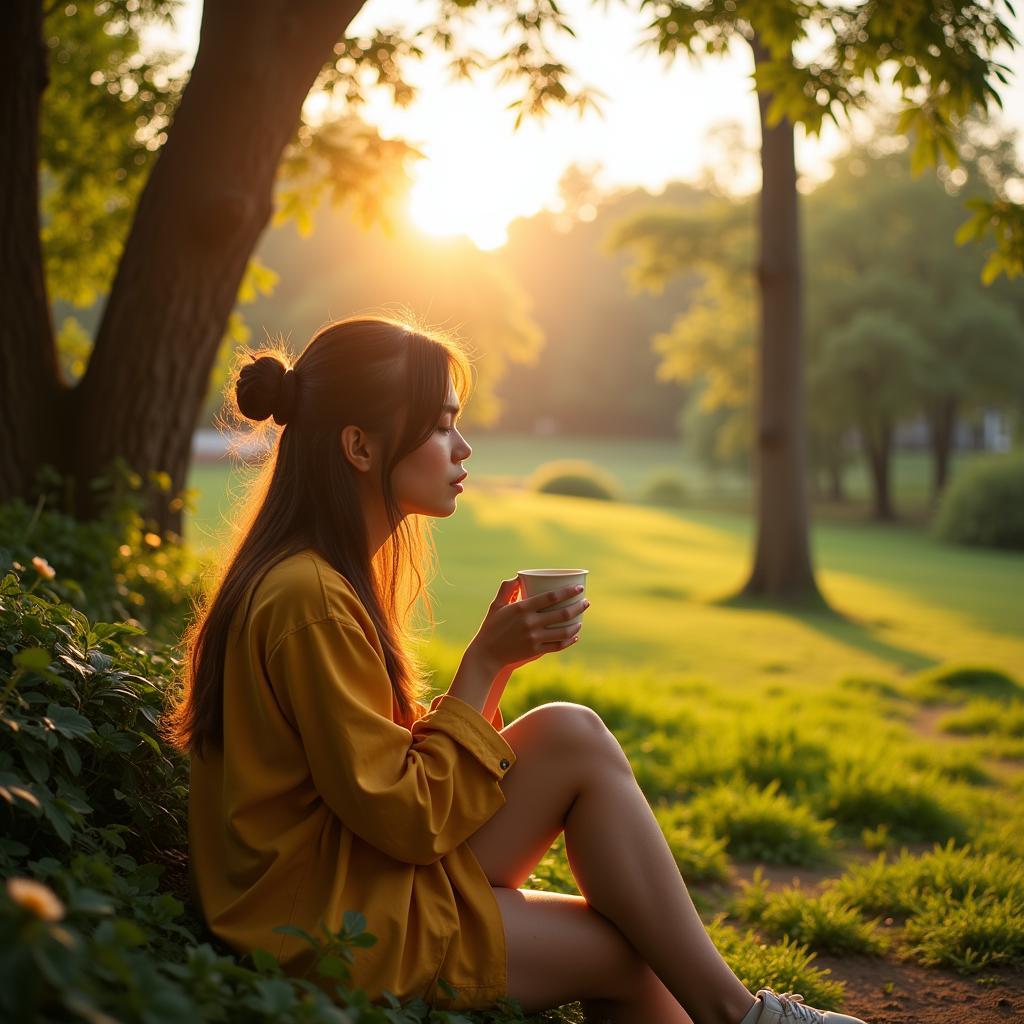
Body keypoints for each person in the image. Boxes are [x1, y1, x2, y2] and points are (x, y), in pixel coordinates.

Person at [162, 316, 867, 1024]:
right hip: (330, 928)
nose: (462, 447)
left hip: (347, 879)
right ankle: (740, 1016)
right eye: (440, 427)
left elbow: (379, 789)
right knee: (625, 948)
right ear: (359, 446)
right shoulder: (309, 597)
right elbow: (404, 817)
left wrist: (493, 671)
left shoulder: (316, 579)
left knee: (569, 734)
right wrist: (484, 662)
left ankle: (742, 1016)